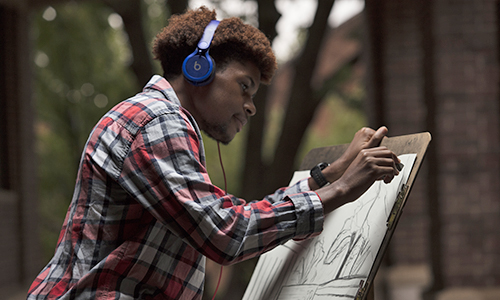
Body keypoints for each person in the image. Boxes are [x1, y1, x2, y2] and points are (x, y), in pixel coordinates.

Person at [27, 6, 400, 300]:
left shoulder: (158, 121)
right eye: (245, 86)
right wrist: (341, 190)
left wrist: (329, 174)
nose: (250, 107)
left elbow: (225, 216)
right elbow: (226, 232)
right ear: (199, 69)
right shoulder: (155, 122)